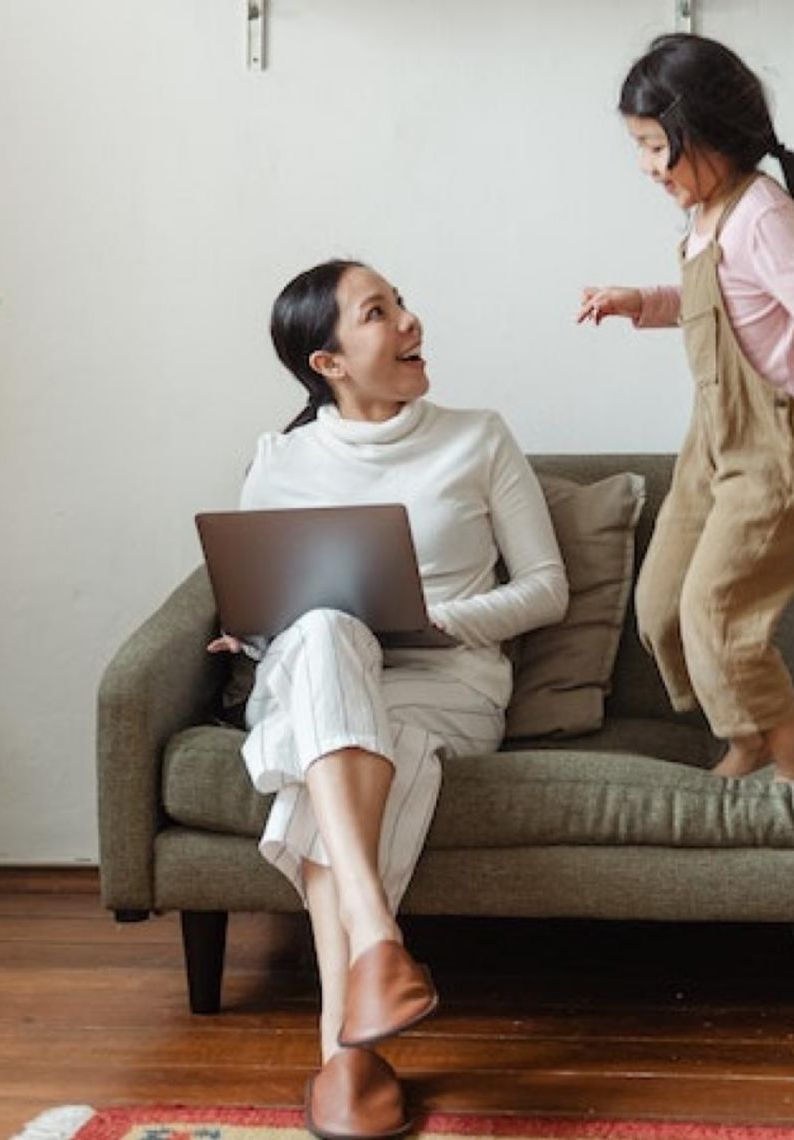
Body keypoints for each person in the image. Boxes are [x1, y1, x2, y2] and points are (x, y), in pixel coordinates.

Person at [211, 259, 568, 1140]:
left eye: (401, 304)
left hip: (447, 682)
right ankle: (371, 965)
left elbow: (547, 588)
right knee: (329, 630)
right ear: (328, 361)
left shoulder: (478, 437)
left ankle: (349, 1047)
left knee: (347, 752)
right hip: (321, 677)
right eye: (380, 312)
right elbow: (267, 613)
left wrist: (439, 619)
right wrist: (252, 635)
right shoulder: (278, 460)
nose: (410, 321)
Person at [576, 33, 794, 783]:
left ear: (708, 132)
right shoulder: (708, 218)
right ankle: (741, 730)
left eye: (656, 147)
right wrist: (639, 303)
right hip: (711, 444)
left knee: (717, 616)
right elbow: (719, 301)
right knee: (660, 608)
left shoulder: (760, 214)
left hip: (777, 450)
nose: (648, 167)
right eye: (640, 149)